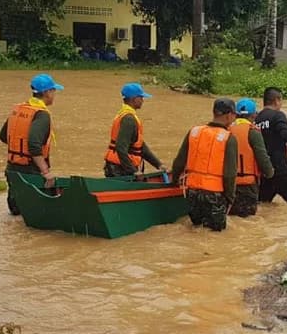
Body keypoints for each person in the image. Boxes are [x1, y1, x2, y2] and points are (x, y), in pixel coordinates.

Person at [169, 98, 240, 232]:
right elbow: (230, 174)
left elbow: (179, 162)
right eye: (234, 115)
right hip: (214, 194)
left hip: (192, 191)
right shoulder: (229, 138)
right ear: (229, 115)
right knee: (215, 234)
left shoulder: (194, 132)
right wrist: (230, 197)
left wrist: (174, 181)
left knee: (195, 229)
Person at [0, 73, 63, 214]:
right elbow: (34, 145)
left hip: (12, 169)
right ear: (46, 92)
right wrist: (46, 172)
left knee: (17, 213)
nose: (54, 94)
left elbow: (3, 136)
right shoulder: (41, 115)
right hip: (31, 172)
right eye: (53, 90)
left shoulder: (18, 109)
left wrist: (18, 149)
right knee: (39, 214)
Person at [103, 82, 163, 177]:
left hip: (118, 167)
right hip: (119, 170)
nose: (143, 100)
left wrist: (159, 165)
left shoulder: (124, 114)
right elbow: (120, 147)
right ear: (134, 99)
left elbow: (140, 146)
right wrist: (133, 171)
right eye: (141, 97)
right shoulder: (129, 119)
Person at [228, 98, 274, 217]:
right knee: (247, 219)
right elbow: (262, 157)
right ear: (253, 115)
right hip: (247, 185)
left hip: (227, 184)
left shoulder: (227, 129)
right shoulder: (253, 132)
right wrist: (270, 173)